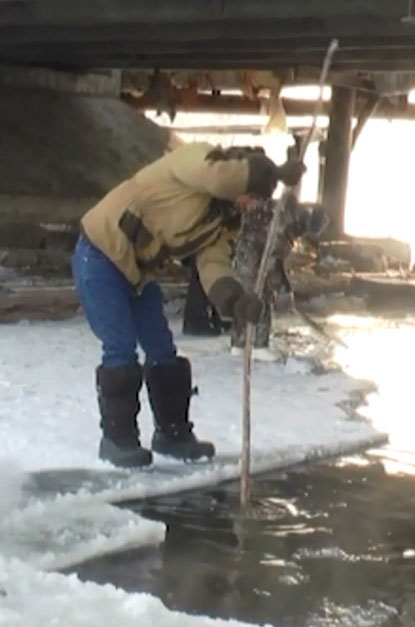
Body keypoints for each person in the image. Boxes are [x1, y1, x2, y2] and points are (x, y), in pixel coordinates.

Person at [74, 142, 306, 468]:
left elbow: (214, 264)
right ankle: (117, 439)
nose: (252, 206)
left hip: (137, 274)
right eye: (252, 196)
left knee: (162, 349)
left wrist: (235, 301)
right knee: (120, 347)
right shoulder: (194, 162)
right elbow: (218, 177)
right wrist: (273, 174)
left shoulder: (225, 221)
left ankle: (172, 433)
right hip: (99, 255)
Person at [229, 194, 329, 351]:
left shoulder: (280, 211)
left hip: (242, 253)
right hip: (249, 260)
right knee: (261, 300)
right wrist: (284, 289)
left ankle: (239, 344)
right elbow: (272, 262)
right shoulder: (282, 226)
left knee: (246, 299)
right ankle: (259, 347)